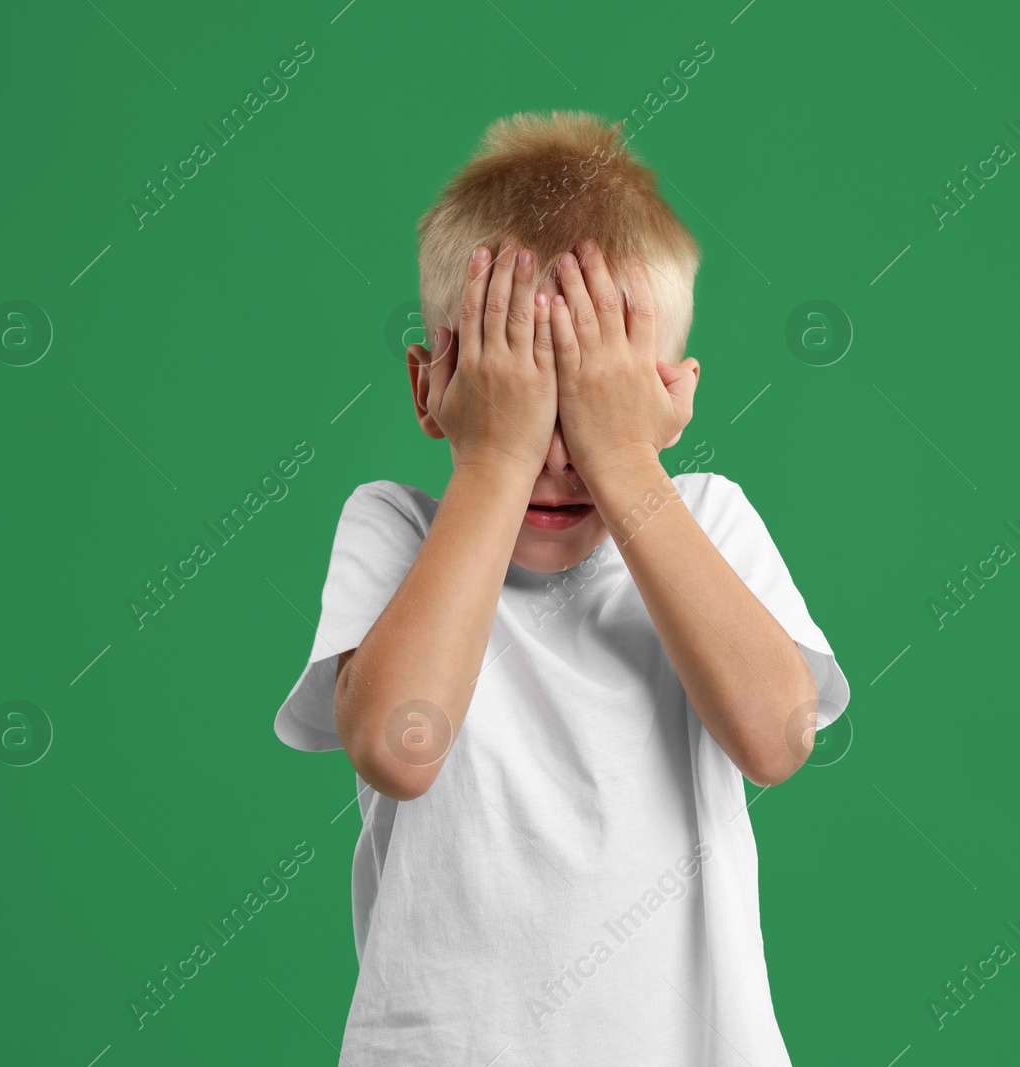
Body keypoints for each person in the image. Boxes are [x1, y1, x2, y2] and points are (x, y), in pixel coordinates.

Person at [272, 110, 850, 1065]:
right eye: (519, 397)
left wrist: (626, 462)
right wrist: (491, 459)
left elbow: (776, 738)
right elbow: (394, 747)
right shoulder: (396, 530)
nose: (554, 458)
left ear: (670, 398)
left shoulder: (705, 519)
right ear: (432, 390)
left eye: (592, 403)